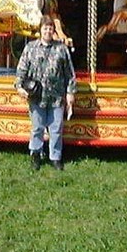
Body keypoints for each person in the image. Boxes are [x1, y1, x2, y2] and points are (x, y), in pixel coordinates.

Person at [15, 15, 77, 171]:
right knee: (38, 127)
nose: (48, 31)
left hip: (56, 96)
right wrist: (19, 86)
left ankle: (55, 157)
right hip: (37, 96)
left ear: (53, 31)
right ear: (40, 30)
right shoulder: (30, 48)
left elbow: (69, 73)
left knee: (56, 127)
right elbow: (22, 69)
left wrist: (70, 93)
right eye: (45, 28)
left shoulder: (61, 49)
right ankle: (35, 153)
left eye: (50, 28)